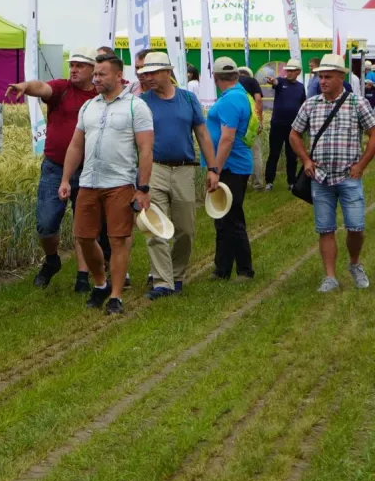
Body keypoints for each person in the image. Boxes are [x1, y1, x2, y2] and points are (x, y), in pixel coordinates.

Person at [58, 53, 154, 315]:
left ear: (118, 76)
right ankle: (100, 283)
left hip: (120, 183)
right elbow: (77, 145)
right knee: (84, 237)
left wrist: (142, 188)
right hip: (88, 182)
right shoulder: (89, 107)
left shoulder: (136, 107)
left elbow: (146, 150)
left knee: (118, 239)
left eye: (101, 74)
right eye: (96, 74)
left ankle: (115, 296)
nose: (96, 79)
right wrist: (66, 179)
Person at [5, 46, 99, 292]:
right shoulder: (62, 88)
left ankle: (82, 277)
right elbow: (42, 88)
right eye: (72, 65)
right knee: (46, 224)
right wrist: (25, 86)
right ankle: (52, 259)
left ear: (93, 70)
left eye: (80, 65)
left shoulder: (100, 96)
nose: (74, 69)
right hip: (55, 168)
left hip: (90, 168)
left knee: (84, 224)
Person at [289, 53, 375, 293]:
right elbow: (294, 134)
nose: (323, 81)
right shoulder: (311, 104)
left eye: (328, 77)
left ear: (340, 77)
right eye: (320, 77)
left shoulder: (358, 103)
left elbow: (373, 135)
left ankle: (355, 264)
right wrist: (305, 159)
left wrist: (362, 165)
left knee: (356, 226)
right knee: (325, 228)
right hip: (320, 178)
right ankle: (330, 277)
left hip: (349, 176)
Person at [137, 52, 219, 299]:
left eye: (152, 73)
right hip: (155, 169)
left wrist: (213, 169)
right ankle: (162, 282)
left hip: (185, 168)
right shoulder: (142, 102)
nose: (147, 78)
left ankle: (177, 274)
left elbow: (203, 135)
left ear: (167, 72)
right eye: (144, 74)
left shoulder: (188, 99)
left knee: (185, 229)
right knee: (156, 226)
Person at [205, 57, 255, 280]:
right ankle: (222, 268)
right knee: (223, 218)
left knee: (232, 218)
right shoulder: (238, 95)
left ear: (215, 78)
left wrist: (215, 169)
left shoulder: (230, 100)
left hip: (230, 167)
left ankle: (244, 269)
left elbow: (227, 138)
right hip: (232, 165)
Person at [265, 58, 306, 189]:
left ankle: (292, 182)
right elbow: (275, 82)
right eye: (288, 70)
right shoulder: (280, 81)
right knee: (274, 154)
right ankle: (269, 182)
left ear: (298, 72)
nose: (289, 73)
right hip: (277, 125)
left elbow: (302, 104)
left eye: (292, 71)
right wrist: (273, 81)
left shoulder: (300, 87)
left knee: (292, 155)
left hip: (293, 127)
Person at [238, 65, 267, 189]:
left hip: (235, 122)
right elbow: (258, 100)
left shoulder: (232, 82)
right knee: (255, 152)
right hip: (250, 123)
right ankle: (258, 183)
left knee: (238, 152)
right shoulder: (252, 81)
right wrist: (259, 121)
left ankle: (241, 183)